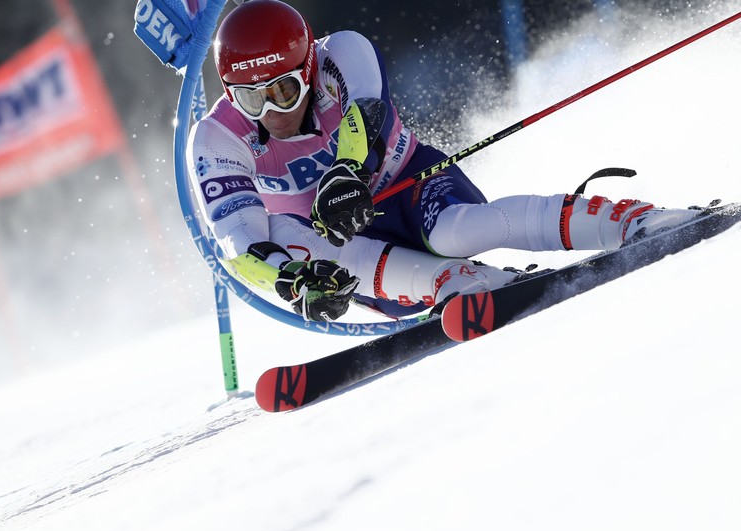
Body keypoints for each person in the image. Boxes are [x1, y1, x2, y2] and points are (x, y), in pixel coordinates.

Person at [188, 0, 698, 322]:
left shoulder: (341, 53)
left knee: (455, 232)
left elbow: (364, 116)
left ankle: (630, 220)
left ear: (307, 68)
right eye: (253, 99)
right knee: (284, 233)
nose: (273, 111)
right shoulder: (214, 138)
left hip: (409, 185)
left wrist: (346, 172)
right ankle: (453, 284)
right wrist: (293, 283)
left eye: (284, 89)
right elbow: (239, 241)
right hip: (350, 247)